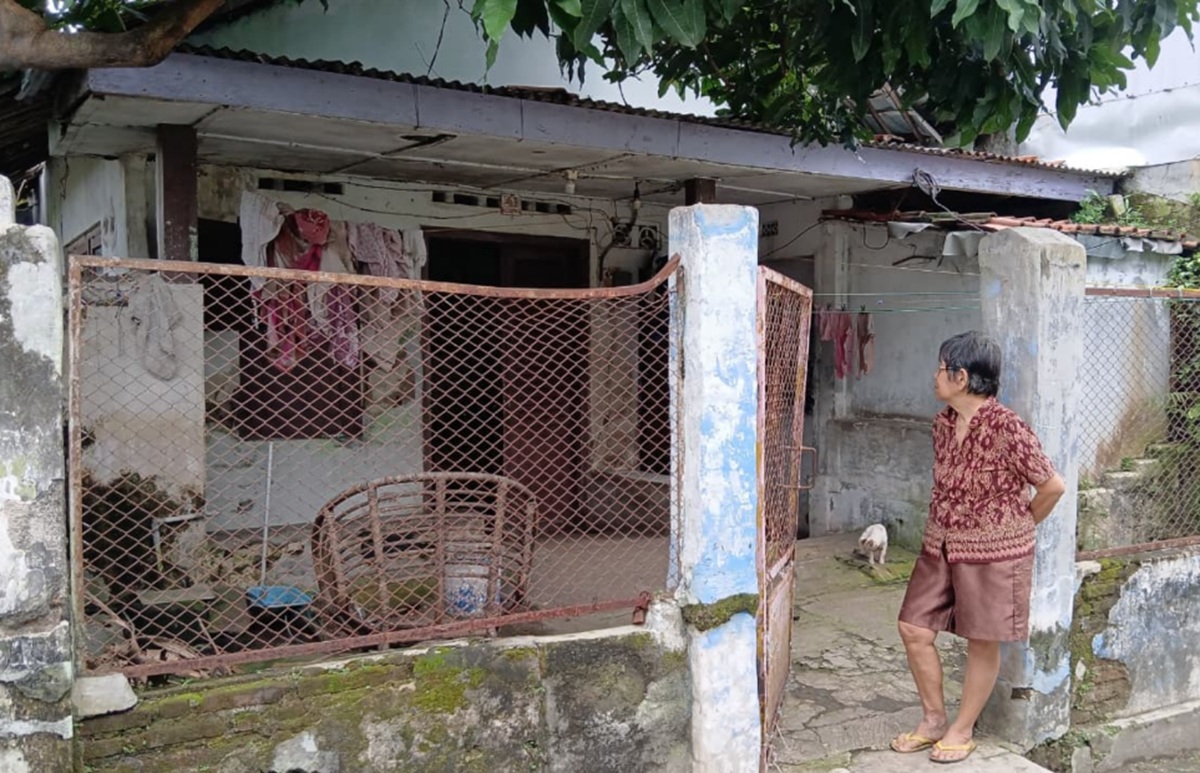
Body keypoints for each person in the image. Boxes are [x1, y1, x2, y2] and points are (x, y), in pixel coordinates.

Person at [890, 331, 1066, 764]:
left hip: (996, 553)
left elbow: (1052, 486)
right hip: (942, 544)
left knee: (982, 640)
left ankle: (961, 728)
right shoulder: (943, 423)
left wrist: (1016, 527)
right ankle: (933, 720)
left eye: (940, 367)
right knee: (914, 628)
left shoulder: (1008, 427)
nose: (934, 376)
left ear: (961, 376)